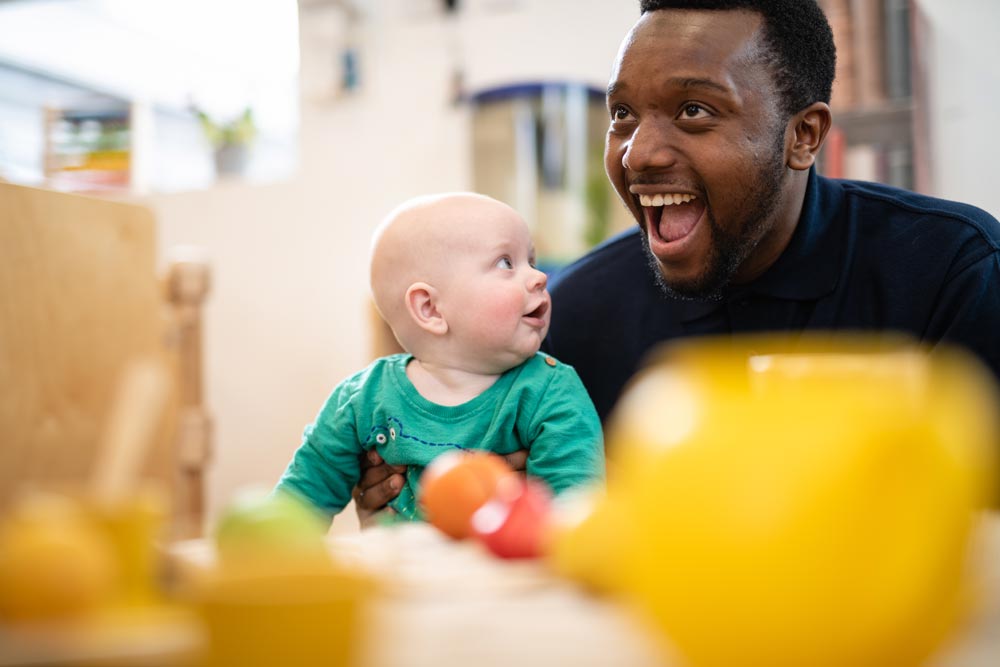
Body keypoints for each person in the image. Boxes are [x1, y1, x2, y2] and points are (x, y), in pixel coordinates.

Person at [355, 0, 1000, 515]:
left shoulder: (950, 273)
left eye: (693, 110)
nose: (637, 153)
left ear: (803, 136)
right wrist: (421, 495)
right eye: (623, 114)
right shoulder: (578, 315)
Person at [275, 192, 605, 526]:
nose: (539, 277)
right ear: (430, 309)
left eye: (531, 261)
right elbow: (295, 510)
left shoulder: (551, 392)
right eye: (506, 262)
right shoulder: (361, 399)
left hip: (507, 578)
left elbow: (574, 520)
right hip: (399, 577)